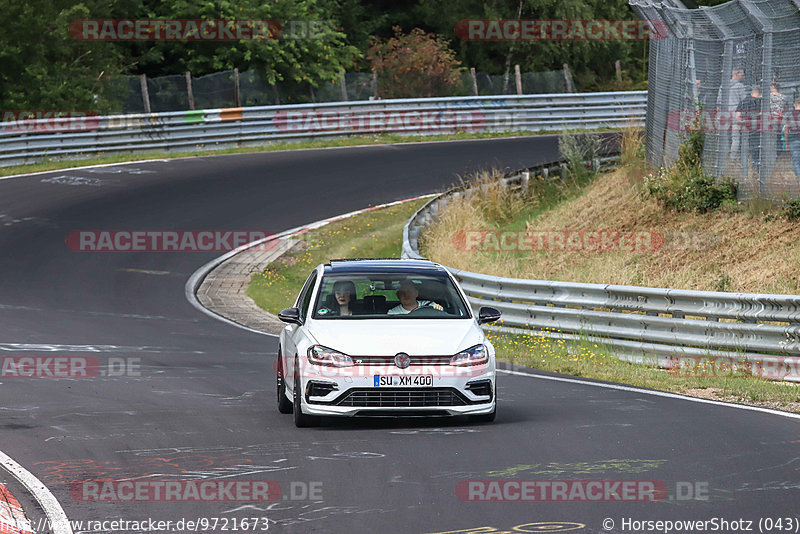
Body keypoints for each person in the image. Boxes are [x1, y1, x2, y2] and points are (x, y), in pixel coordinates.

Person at [718, 67, 747, 155]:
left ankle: (723, 156)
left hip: (724, 114)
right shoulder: (740, 86)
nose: (743, 76)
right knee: (735, 137)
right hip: (735, 114)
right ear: (736, 74)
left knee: (724, 136)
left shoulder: (723, 86)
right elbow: (744, 100)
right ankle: (733, 157)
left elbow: (718, 102)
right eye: (742, 74)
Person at [736, 85, 763, 169]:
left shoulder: (744, 101)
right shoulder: (762, 102)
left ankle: (742, 165)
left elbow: (737, 117)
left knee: (743, 147)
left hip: (745, 129)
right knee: (756, 148)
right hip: (758, 130)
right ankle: (756, 165)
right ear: (760, 93)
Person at [785, 97, 800, 178]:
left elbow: (786, 130)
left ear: (794, 104)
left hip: (793, 139)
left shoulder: (789, 114)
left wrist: (786, 143)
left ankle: (798, 178)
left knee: (796, 161)